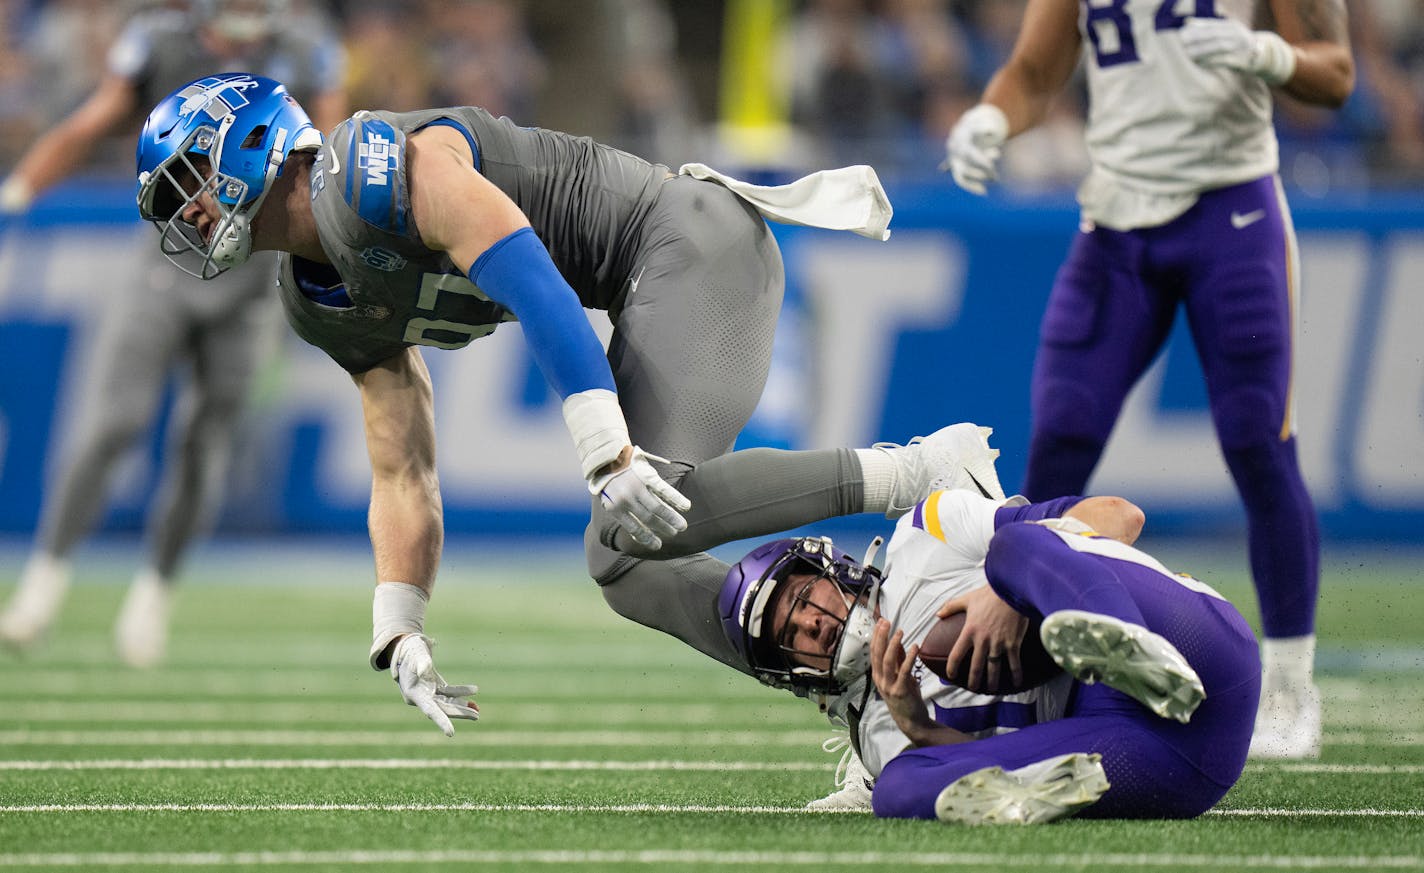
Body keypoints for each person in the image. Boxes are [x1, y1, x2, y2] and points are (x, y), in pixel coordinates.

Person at [127, 72, 1012, 743]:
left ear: (245, 148)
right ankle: (862, 685)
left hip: (686, 240)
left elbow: (528, 274)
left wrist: (607, 450)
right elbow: (403, 462)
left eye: (188, 182)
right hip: (644, 287)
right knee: (627, 565)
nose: (187, 214)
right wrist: (399, 623)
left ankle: (921, 469)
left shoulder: (366, 171)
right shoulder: (314, 294)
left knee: (632, 526)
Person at [941, 0, 1355, 759]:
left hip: (1232, 210)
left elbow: (1336, 75)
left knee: (1258, 439)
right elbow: (1036, 71)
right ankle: (1018, 666)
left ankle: (1292, 685)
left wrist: (1265, 55)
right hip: (1118, 220)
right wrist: (993, 117)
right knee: (1061, 435)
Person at [0, 0, 346, 668]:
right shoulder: (160, 40)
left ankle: (152, 598)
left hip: (253, 279)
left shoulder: (306, 49)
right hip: (165, 262)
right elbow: (91, 123)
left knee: (204, 445)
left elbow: (327, 160)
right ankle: (41, 588)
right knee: (111, 422)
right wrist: (21, 188)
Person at [719, 488, 1260, 823]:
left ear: (826, 568)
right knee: (898, 788)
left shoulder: (924, 535)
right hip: (1174, 755)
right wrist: (919, 728)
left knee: (1016, 545)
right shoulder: (879, 734)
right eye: (790, 635)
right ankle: (1042, 797)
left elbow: (1121, 517)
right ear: (793, 674)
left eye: (801, 597)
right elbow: (980, 768)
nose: (810, 622)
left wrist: (1010, 593)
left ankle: (1119, 638)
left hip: (1197, 650)